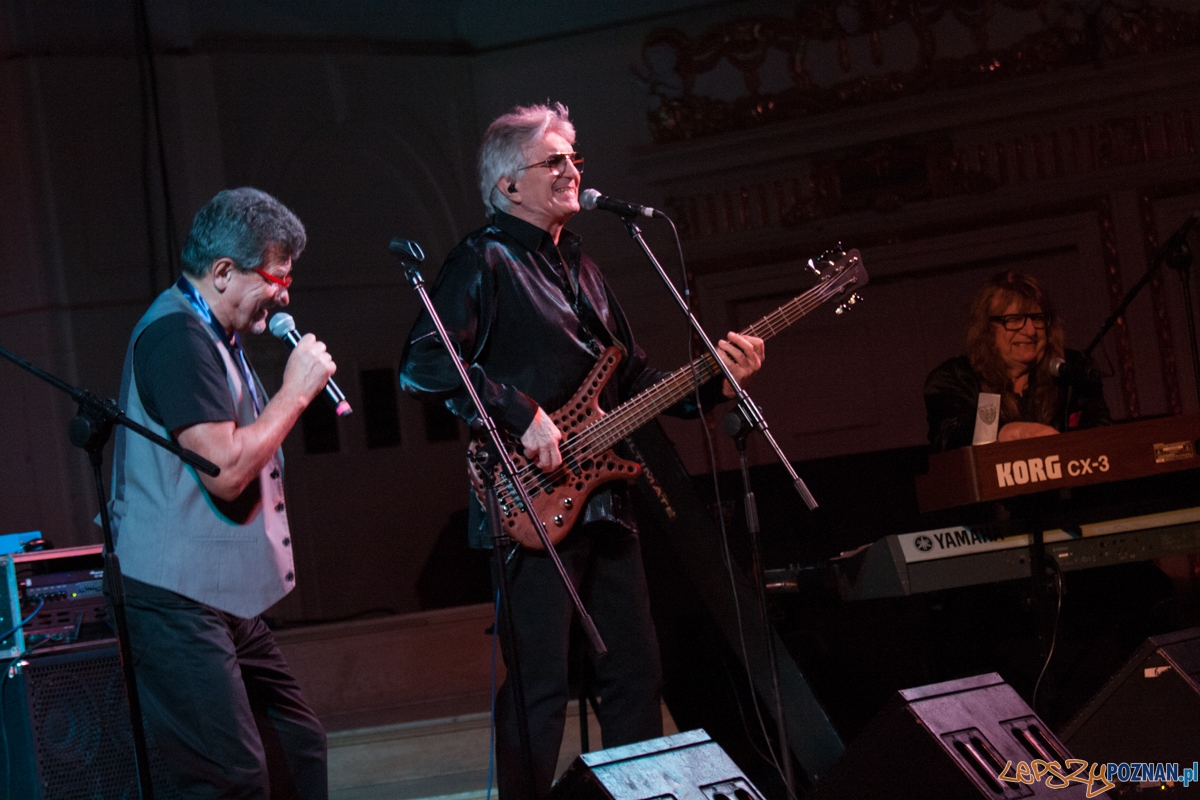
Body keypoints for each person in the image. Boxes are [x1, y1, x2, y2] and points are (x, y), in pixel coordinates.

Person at [398, 102, 764, 798]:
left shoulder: (586, 266)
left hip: (606, 498)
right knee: (541, 684)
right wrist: (520, 410)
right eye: (555, 159)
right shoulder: (482, 261)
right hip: (528, 503)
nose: (573, 170)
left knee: (634, 674)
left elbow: (633, 388)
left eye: (576, 158)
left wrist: (713, 383)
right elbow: (423, 366)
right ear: (509, 185)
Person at [107, 188, 334, 798]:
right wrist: (296, 392)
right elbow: (225, 472)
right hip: (173, 594)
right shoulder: (178, 338)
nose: (285, 293)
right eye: (276, 276)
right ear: (224, 273)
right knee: (230, 777)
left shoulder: (215, 335)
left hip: (218, 595)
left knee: (297, 745)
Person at [924, 270, 1110, 452]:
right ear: (986, 329)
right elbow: (950, 437)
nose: (1030, 331)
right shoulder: (954, 379)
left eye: (1037, 318)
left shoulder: (1071, 372)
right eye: (1014, 319)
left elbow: (1102, 442)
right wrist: (1013, 432)